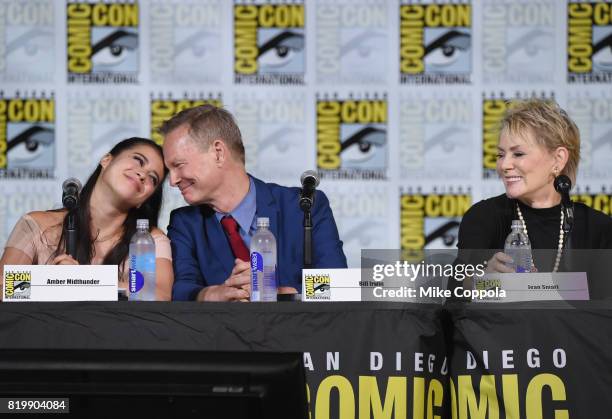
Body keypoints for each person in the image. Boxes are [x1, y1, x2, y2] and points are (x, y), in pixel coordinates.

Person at [160, 104, 347, 302]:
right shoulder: (185, 223)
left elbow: (338, 284)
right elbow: (179, 289)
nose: (172, 181)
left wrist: (280, 292)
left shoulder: (304, 206)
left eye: (178, 165)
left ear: (218, 153)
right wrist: (208, 294)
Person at [0, 137, 174, 300]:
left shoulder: (150, 240)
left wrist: (84, 280)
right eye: (138, 160)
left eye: (152, 178)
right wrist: (54, 281)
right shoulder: (36, 224)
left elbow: (159, 296)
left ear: (144, 200)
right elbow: (4, 288)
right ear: (106, 160)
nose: (142, 174)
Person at [457, 99, 612, 277]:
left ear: (558, 159)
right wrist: (481, 280)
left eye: (518, 154)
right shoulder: (483, 217)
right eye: (500, 155)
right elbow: (455, 296)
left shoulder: (598, 228)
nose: (504, 165)